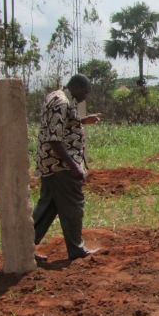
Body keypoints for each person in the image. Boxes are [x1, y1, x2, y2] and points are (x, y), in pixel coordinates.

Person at [33, 74, 102, 262]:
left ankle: (25, 246)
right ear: (77, 87)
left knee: (48, 206)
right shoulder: (61, 102)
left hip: (50, 164)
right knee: (73, 204)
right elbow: (54, 139)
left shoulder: (55, 96)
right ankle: (76, 248)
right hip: (60, 165)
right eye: (85, 92)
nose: (85, 97)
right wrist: (74, 167)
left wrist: (81, 120)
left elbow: (59, 126)